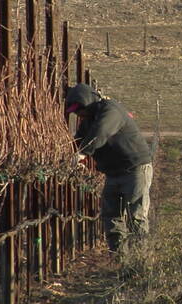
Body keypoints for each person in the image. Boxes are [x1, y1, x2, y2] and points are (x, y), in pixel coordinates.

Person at [65, 83, 153, 256]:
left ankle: (141, 262)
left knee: (136, 215)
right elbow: (80, 138)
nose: (78, 114)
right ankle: (120, 258)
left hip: (135, 169)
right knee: (111, 216)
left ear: (87, 102)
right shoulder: (88, 119)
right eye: (75, 112)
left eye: (79, 109)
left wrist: (83, 153)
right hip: (113, 173)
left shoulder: (111, 111)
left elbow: (101, 131)